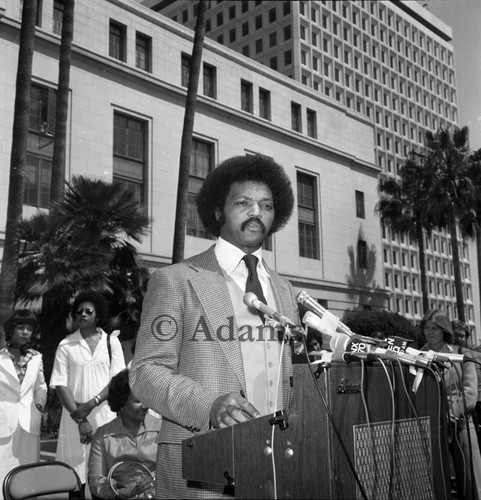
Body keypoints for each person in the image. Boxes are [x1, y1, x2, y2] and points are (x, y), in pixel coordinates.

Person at [129, 154, 298, 499]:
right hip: (203, 472)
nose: (256, 212)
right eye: (243, 202)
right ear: (219, 211)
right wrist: (208, 406)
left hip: (280, 468)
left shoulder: (285, 290)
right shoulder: (175, 280)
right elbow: (145, 371)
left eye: (266, 205)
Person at [50, 291, 126, 496]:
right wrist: (80, 418)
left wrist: (91, 403)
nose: (82, 314)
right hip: (73, 417)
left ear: (98, 315)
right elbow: (59, 384)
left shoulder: (112, 343)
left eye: (88, 311)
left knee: (103, 474)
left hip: (104, 415)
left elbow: (117, 381)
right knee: (74, 477)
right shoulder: (66, 345)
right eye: (78, 312)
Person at [421, 310, 481, 500]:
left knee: (472, 480)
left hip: (461, 424)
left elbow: (470, 393)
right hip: (430, 425)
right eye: (426, 328)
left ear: (444, 330)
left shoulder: (462, 354)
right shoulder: (416, 355)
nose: (429, 332)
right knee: (434, 482)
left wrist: (450, 414)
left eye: (435, 328)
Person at [88, 369, 161, 499]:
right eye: (137, 401)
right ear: (122, 403)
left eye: (146, 400)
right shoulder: (103, 435)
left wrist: (154, 479)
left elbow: (174, 469)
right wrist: (120, 490)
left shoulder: (161, 429)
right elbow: (95, 480)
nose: (145, 406)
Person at [0, 309, 47, 498]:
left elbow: (41, 387)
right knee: (2, 472)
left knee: (27, 473)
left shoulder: (37, 358)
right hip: (3, 424)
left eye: (29, 328)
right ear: (11, 330)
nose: (25, 332)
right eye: (21, 327)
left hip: (29, 423)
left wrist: (39, 406)